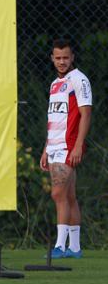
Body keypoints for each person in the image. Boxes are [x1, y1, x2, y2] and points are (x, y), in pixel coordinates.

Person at [39, 38, 92, 259]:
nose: (61, 62)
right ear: (52, 58)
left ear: (72, 58)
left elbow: (86, 113)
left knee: (57, 193)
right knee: (69, 196)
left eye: (65, 58)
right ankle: (76, 248)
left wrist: (79, 144)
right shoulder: (54, 83)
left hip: (68, 145)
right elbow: (55, 117)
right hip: (54, 146)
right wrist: (45, 148)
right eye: (58, 58)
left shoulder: (79, 80)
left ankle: (60, 246)